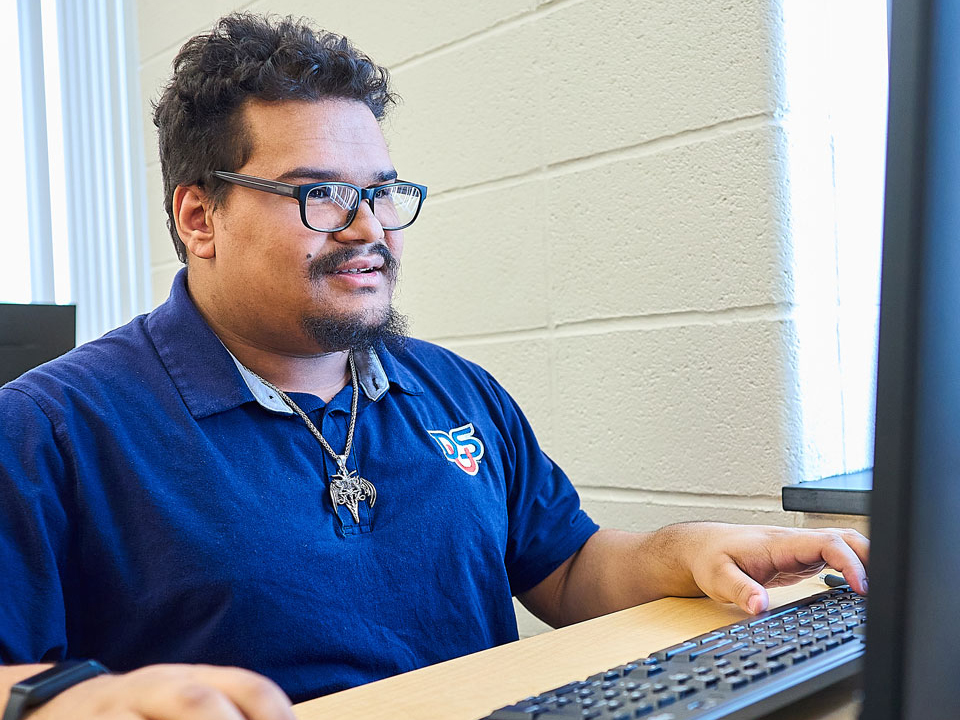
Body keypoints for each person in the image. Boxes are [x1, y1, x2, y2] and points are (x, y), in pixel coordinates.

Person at [0, 12, 869, 720]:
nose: (369, 227)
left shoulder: (453, 390)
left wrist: (689, 552)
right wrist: (76, 700)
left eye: (381, 192)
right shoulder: (49, 429)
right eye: (321, 193)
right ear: (200, 218)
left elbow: (565, 569)